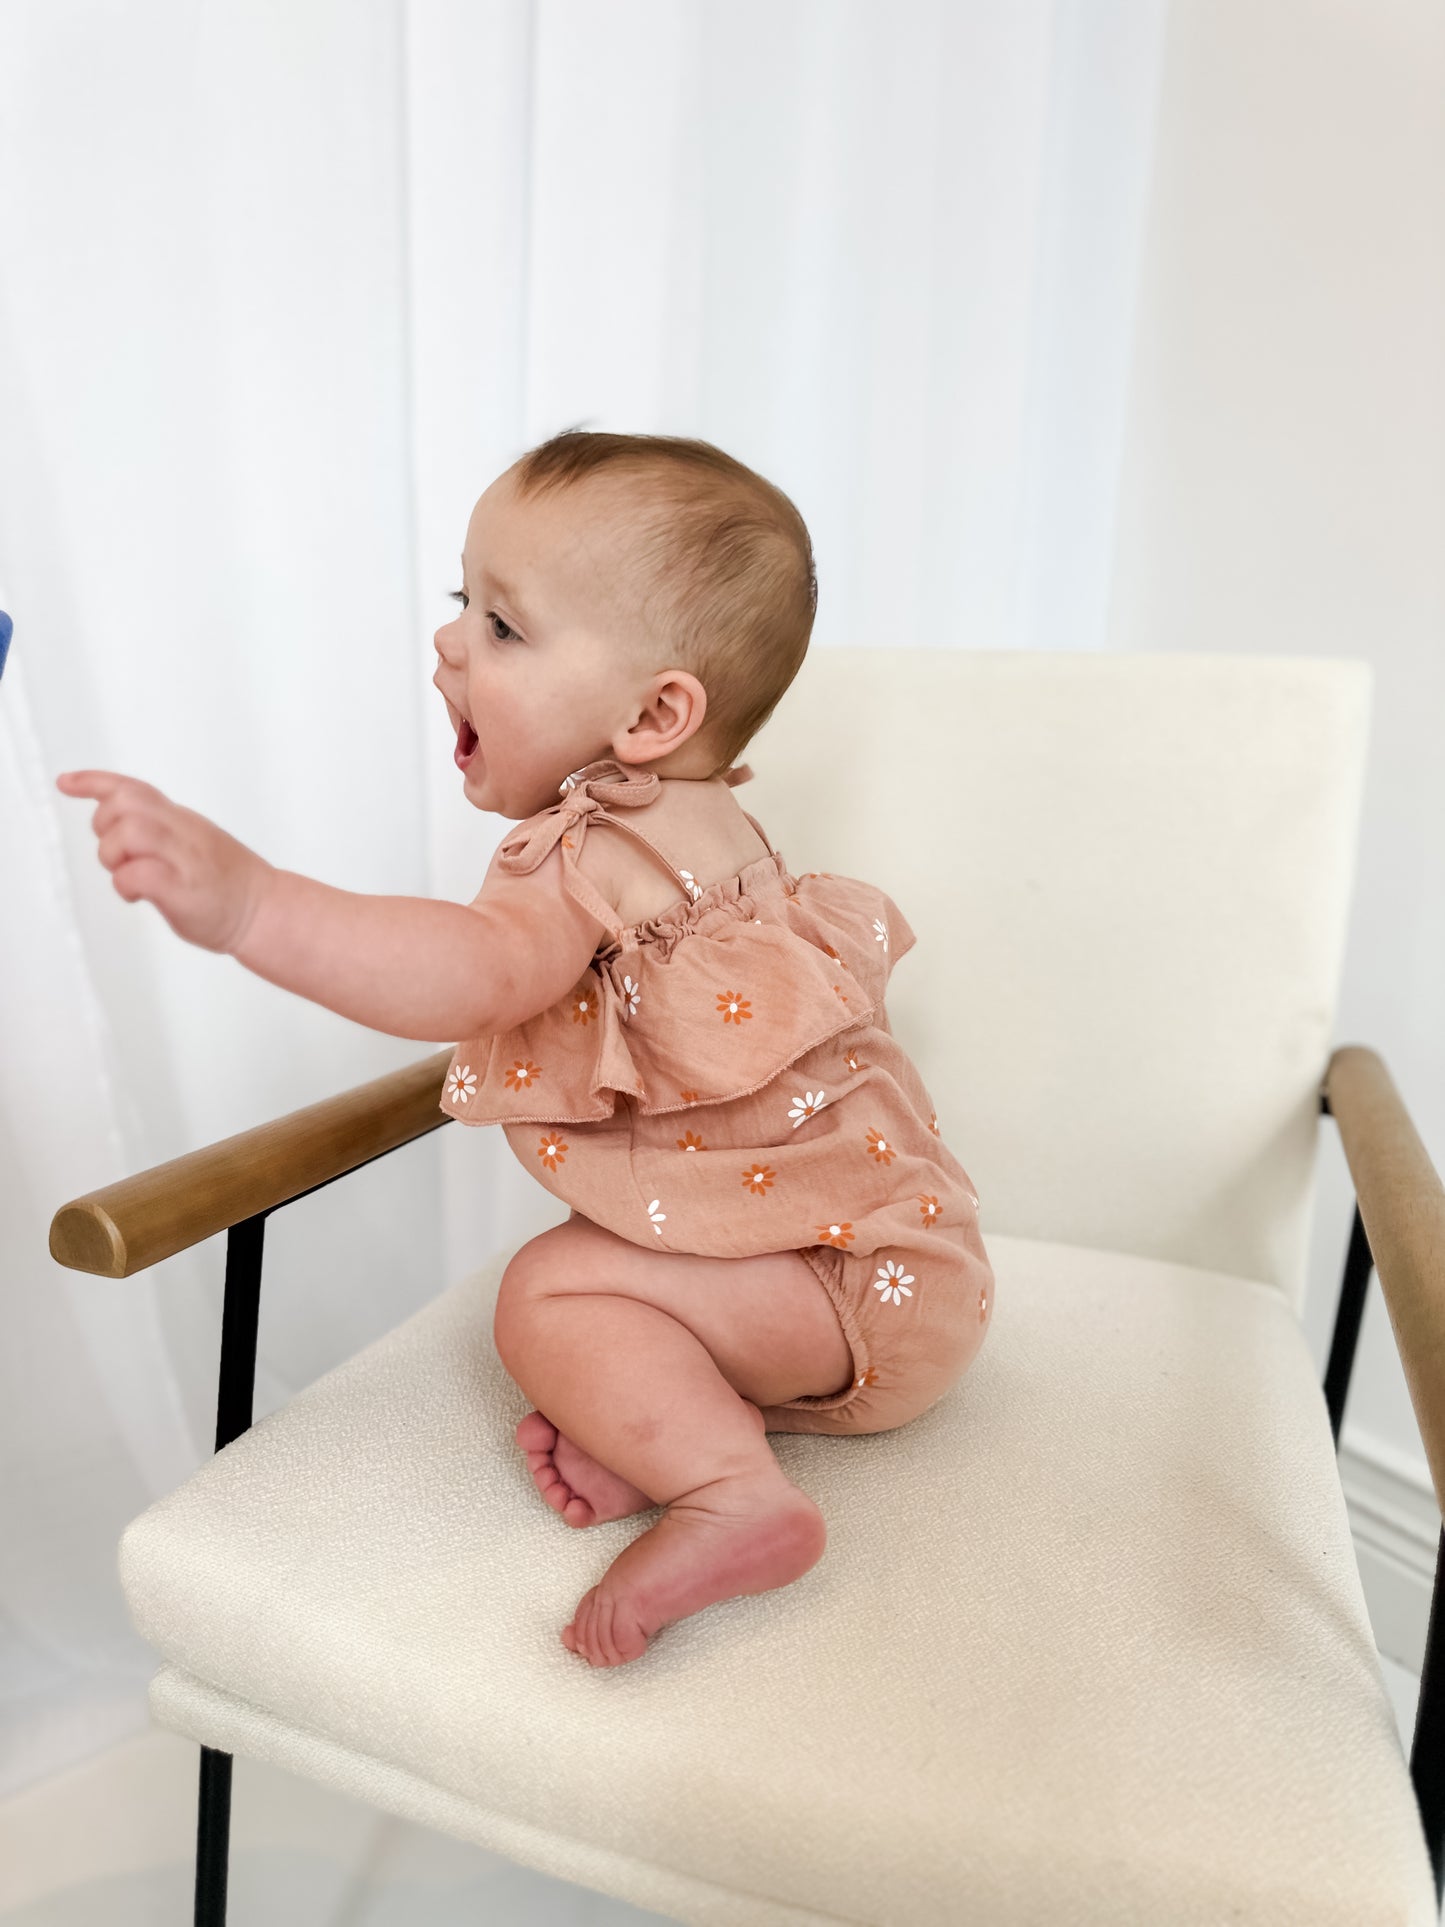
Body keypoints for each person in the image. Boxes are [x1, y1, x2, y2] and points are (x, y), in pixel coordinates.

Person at [56, 429, 993, 1670]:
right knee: (602, 1303)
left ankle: (731, 1491)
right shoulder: (711, 828)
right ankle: (689, 1418)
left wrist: (255, 907)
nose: (450, 643)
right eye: (464, 603)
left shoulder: (589, 852)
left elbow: (471, 972)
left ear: (655, 712)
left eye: (504, 627)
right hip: (905, 1266)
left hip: (837, 1286)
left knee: (549, 1291)